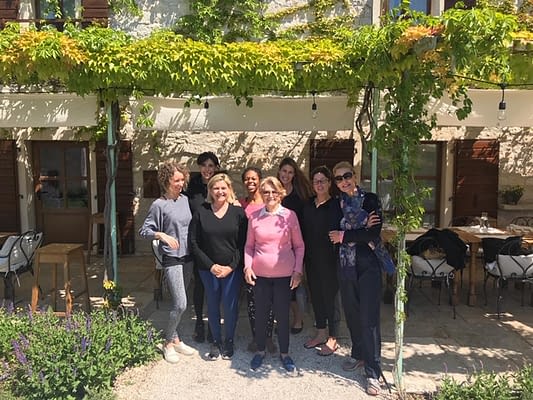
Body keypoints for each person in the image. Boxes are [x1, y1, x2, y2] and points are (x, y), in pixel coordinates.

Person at [328, 161, 391, 396]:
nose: (344, 181)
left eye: (347, 176)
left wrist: (345, 235)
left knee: (369, 318)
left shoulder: (370, 200)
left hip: (369, 266)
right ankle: (358, 354)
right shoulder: (337, 204)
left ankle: (373, 372)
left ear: (354, 176)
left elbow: (373, 233)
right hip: (346, 266)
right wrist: (361, 227)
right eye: (338, 178)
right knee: (352, 313)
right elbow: (332, 234)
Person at [244, 176, 304, 373]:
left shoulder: (290, 216)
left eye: (274, 191)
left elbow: (299, 246)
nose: (270, 195)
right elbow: (249, 246)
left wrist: (297, 270)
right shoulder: (254, 217)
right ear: (261, 194)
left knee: (282, 316)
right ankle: (260, 351)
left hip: (284, 277)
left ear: (281, 193)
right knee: (261, 316)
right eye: (266, 192)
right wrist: (247, 267)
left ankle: (285, 353)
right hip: (260, 276)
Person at [139, 161, 196, 363]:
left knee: (180, 302)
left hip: (188, 257)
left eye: (182, 180)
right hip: (172, 258)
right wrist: (161, 234)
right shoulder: (159, 205)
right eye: (176, 180)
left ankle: (176, 339)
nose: (180, 184)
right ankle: (167, 342)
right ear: (166, 181)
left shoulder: (185, 200)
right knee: (180, 304)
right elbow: (144, 231)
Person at [188, 173, 248, 360]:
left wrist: (231, 266)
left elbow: (243, 244)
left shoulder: (238, 213)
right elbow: (194, 242)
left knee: (230, 306)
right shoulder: (201, 211)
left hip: (232, 270)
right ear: (210, 190)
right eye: (216, 188)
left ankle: (229, 340)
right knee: (212, 305)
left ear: (229, 189)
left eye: (223, 188)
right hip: (208, 269)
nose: (220, 191)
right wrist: (211, 265)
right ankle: (215, 340)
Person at [301, 165, 342, 356]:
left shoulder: (337, 205)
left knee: (331, 298)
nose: (319, 185)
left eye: (323, 181)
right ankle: (321, 332)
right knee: (316, 296)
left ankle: (333, 337)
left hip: (331, 259)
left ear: (329, 183)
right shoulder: (308, 205)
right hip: (311, 259)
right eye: (316, 181)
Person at [238, 167, 277, 354]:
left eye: (254, 178)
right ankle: (256, 336)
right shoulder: (240, 204)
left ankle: (268, 336)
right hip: (249, 258)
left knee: (269, 301)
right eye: (247, 179)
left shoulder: (268, 202)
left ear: (259, 180)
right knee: (253, 301)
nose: (250, 181)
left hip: (268, 259)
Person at [186, 151, 220, 343]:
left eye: (211, 166)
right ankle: (199, 322)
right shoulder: (191, 187)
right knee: (199, 284)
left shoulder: (220, 186)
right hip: (197, 241)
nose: (207, 169)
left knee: (215, 286)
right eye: (204, 165)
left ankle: (214, 324)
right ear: (199, 167)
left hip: (216, 241)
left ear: (216, 168)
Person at [277, 157, 313, 334]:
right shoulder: (273, 191)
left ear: (294, 175)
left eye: (290, 172)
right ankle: (281, 320)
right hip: (276, 247)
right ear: (279, 171)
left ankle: (298, 319)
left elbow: (306, 221)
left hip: (296, 246)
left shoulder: (300, 195)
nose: (286, 175)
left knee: (294, 285)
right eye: (284, 171)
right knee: (279, 287)